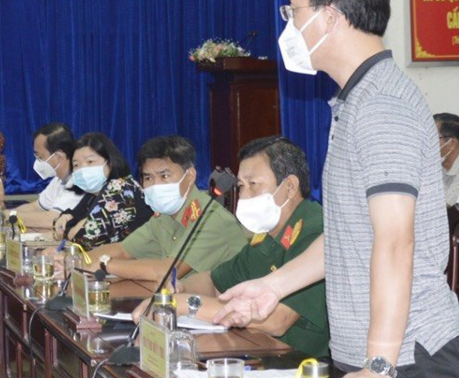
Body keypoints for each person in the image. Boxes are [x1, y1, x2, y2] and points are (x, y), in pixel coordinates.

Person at [216, 0, 459, 378]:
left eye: (294, 11)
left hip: (404, 352)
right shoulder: (355, 100)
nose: (289, 25)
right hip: (372, 347)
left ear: (329, 17)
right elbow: (348, 235)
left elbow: (396, 242)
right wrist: (272, 287)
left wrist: (378, 364)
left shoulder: (381, 107)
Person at [135, 136, 329, 357]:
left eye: (253, 185)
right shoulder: (266, 235)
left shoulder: (315, 231)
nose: (243, 196)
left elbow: (277, 321)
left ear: (290, 186)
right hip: (255, 349)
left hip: (300, 364)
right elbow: (215, 282)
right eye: (241, 186)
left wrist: (185, 304)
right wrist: (180, 288)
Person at [90, 135, 247, 284]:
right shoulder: (165, 215)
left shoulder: (211, 218)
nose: (155, 185)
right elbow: (123, 250)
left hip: (227, 301)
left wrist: (106, 264)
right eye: (148, 178)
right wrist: (80, 261)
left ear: (190, 176)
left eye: (164, 176)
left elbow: (167, 271)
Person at [64, 132, 150, 249]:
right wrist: (70, 225)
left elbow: (83, 239)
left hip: (140, 258)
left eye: (90, 162)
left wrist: (68, 229)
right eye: (76, 165)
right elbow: (70, 217)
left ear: (110, 161)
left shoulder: (120, 189)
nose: (83, 169)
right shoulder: (94, 193)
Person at [14, 123, 81, 230]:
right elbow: (36, 207)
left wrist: (10, 217)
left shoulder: (79, 181)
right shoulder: (58, 180)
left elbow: (52, 219)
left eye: (40, 157)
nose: (37, 162)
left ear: (59, 156)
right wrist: (5, 213)